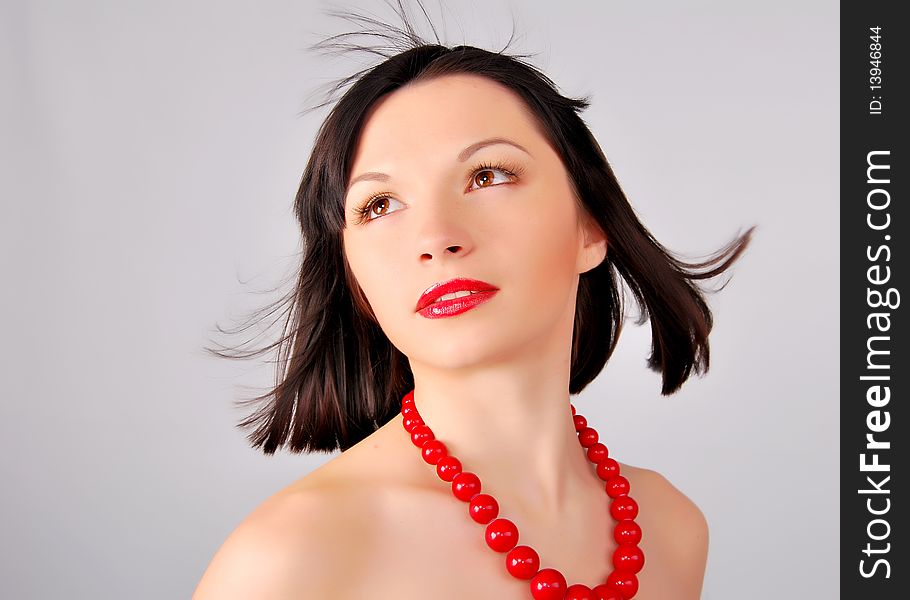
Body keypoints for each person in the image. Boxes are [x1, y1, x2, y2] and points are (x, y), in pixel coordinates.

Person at [193, 5, 753, 599]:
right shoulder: (292, 558)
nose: (437, 238)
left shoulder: (671, 528)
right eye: (379, 205)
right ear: (354, 275)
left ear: (590, 225)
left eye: (487, 175)